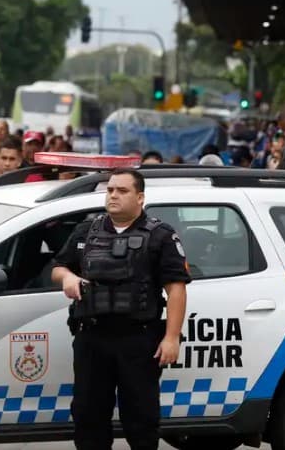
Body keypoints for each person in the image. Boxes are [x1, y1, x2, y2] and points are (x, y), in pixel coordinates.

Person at [50, 169, 190, 450]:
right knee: (89, 415)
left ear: (140, 197)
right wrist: (67, 277)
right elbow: (58, 267)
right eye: (111, 190)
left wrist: (171, 337)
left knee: (141, 418)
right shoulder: (86, 231)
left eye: (122, 191)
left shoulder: (160, 235)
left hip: (138, 339)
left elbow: (176, 288)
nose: (113, 195)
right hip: (92, 337)